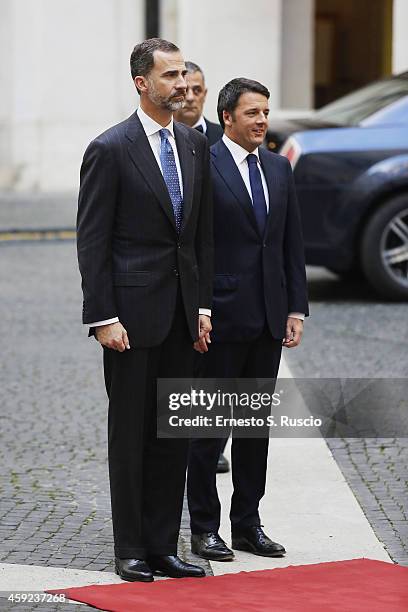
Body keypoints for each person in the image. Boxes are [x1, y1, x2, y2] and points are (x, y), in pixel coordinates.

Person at [77, 38, 213, 582]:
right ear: (142, 83)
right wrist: (103, 316)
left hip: (183, 317)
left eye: (184, 74)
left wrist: (203, 306)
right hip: (130, 323)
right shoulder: (109, 149)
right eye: (171, 76)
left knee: (172, 436)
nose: (182, 84)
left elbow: (200, 236)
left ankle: (163, 545)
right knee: (131, 437)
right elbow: (93, 241)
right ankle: (130, 547)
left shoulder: (195, 145)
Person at [187, 78, 309, 562]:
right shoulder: (204, 164)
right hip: (218, 319)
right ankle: (203, 527)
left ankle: (247, 524)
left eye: (266, 112)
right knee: (208, 429)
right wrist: (199, 309)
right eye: (252, 113)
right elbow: (194, 246)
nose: (262, 121)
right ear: (227, 118)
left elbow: (289, 244)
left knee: (254, 429)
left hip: (267, 321)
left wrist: (295, 308)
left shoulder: (279, 169)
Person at [174, 61, 229, 474]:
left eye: (197, 89)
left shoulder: (222, 141)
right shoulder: (162, 141)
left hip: (218, 270)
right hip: (177, 270)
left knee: (214, 366)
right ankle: (182, 440)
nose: (189, 95)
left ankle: (210, 443)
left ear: (206, 93)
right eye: (184, 88)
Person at [174, 61, 222, 146]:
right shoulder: (163, 137)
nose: (190, 98)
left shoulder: (224, 137)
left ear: (204, 94)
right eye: (184, 90)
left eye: (197, 90)